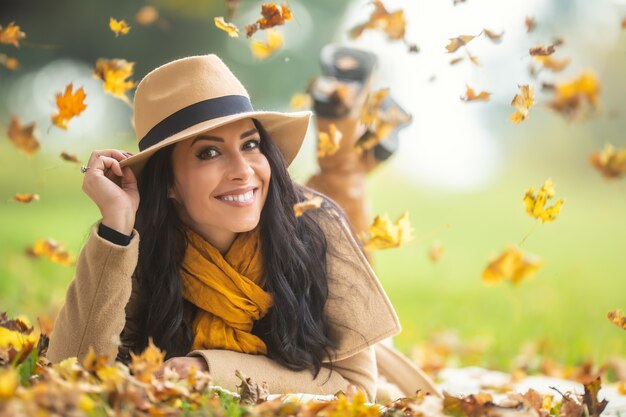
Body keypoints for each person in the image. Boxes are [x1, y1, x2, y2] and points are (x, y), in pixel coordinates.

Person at [46, 54, 438, 402]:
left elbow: (355, 387)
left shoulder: (318, 229)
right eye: (209, 152)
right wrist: (115, 229)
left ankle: (347, 152)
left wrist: (209, 370)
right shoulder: (139, 247)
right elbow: (72, 370)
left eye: (251, 145)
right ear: (167, 182)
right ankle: (351, 150)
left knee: (318, 209)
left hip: (326, 280)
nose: (243, 170)